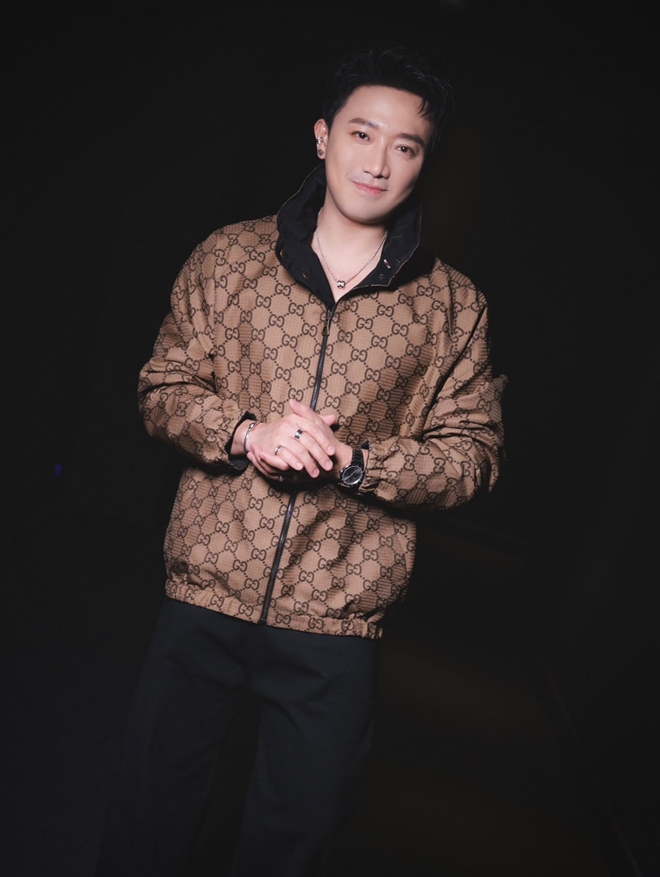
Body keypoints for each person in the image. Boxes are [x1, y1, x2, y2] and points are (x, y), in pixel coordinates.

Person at [95, 44, 507, 877]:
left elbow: (472, 458)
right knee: (151, 819)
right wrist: (245, 433)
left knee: (297, 840)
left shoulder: (454, 306)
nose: (378, 162)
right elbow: (161, 386)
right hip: (205, 591)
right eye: (361, 133)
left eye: (405, 146)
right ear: (323, 136)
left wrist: (357, 463)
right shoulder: (229, 257)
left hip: (338, 620)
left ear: (424, 162)